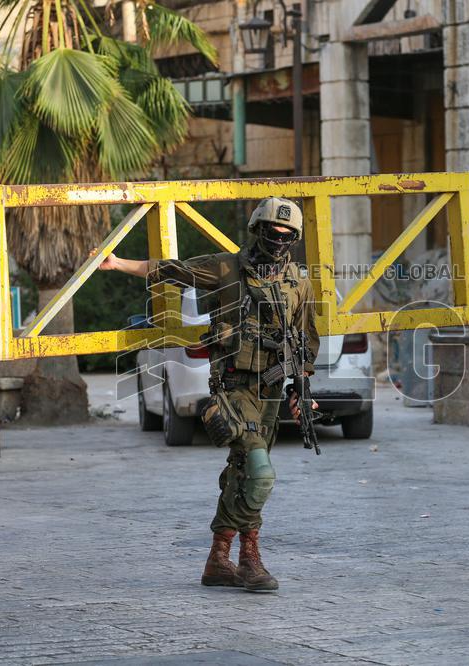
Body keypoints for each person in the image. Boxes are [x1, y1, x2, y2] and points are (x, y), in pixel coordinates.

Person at [95, 197, 320, 592]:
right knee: (260, 474)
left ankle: (218, 559)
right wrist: (118, 263)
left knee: (242, 470)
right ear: (257, 230)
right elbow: (171, 270)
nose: (278, 240)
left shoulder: (298, 281)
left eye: (287, 235)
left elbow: (305, 339)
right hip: (233, 387)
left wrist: (302, 388)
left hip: (269, 390)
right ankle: (250, 559)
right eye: (273, 232)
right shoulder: (226, 268)